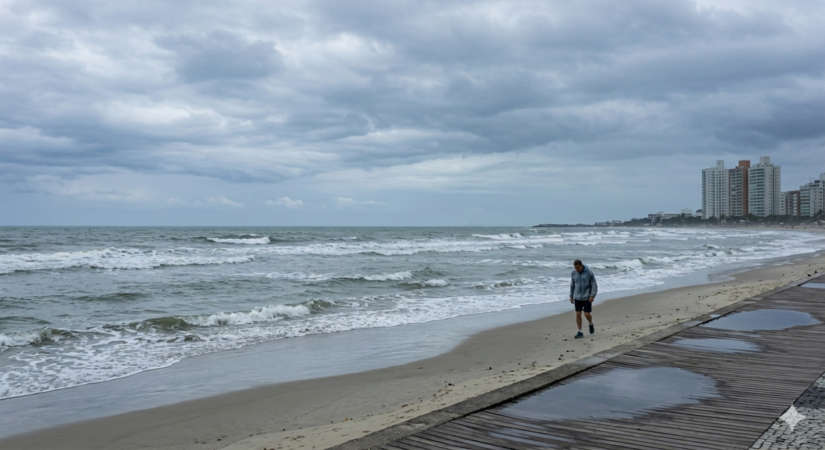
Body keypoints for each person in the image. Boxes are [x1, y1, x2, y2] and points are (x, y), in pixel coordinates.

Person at [569, 259, 598, 339]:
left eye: (578, 267)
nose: (577, 269)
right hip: (577, 296)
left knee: (586, 314)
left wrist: (592, 295)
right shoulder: (573, 273)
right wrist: (571, 296)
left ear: (581, 266)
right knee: (578, 314)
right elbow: (572, 285)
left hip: (587, 297)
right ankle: (580, 331)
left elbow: (594, 285)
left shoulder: (589, 272)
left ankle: (590, 323)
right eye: (575, 268)